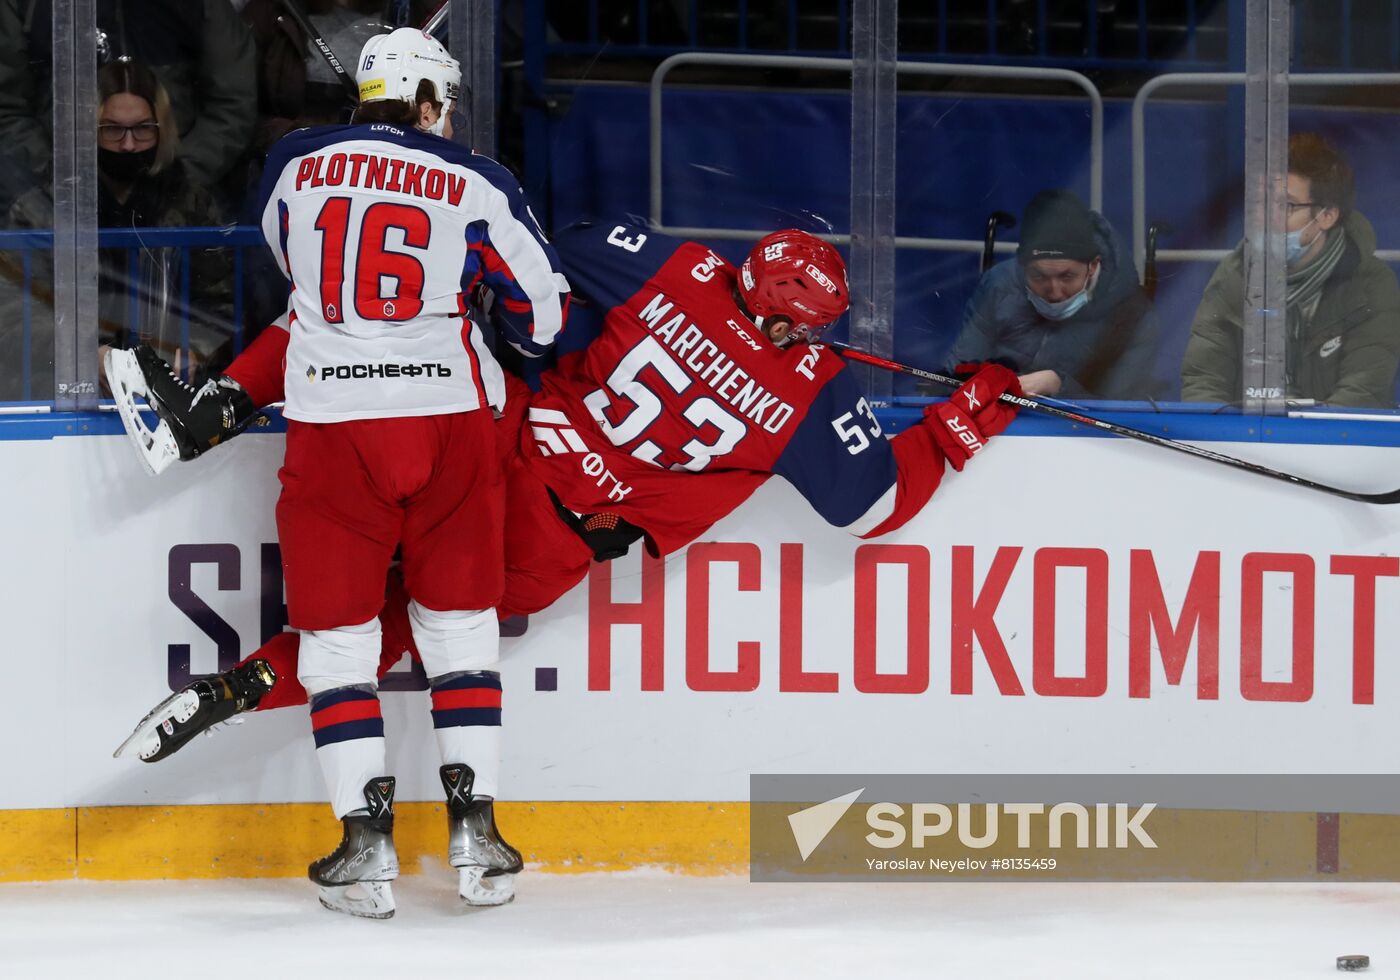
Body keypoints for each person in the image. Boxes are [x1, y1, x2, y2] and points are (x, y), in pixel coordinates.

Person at [111, 222, 1022, 792]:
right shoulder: (815, 385)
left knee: (368, 323)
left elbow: (541, 260)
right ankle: (255, 683)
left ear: (753, 268)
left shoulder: (680, 267)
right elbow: (874, 508)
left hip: (499, 447)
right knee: (411, 628)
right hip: (560, 541)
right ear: (809, 322)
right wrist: (964, 417)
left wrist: (556, 339)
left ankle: (215, 409)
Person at [112, 26, 568, 919]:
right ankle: (477, 837)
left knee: (338, 644)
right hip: (448, 423)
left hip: (332, 424)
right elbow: (541, 319)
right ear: (432, 100)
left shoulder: (294, 161)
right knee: (460, 628)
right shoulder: (477, 178)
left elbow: (297, 271)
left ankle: (365, 848)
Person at [0, 59, 229, 400]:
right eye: (112, 129)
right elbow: (13, 311)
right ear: (88, 130)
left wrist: (195, 348)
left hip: (172, 392)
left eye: (142, 129)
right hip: (62, 392)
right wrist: (83, 354)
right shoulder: (42, 208)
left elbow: (221, 299)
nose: (127, 144)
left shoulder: (190, 203)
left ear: (161, 129)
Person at [1180, 132, 1400, 408]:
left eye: (1286, 205)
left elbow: (1362, 392)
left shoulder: (1371, 284)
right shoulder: (1235, 273)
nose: (1266, 218)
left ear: (1327, 216)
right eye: (1261, 203)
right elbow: (1204, 381)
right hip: (1241, 443)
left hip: (1330, 445)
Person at [0, 0, 257, 206]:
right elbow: (7, 108)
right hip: (54, 207)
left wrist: (179, 177)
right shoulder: (25, 5)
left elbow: (233, 101)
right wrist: (57, 178)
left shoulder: (202, 6)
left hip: (179, 206)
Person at [943, 189, 1164, 400]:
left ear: (1093, 266)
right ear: (1022, 265)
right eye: (1038, 277)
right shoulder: (999, 285)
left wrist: (1059, 385)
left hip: (1078, 433)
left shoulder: (1134, 315)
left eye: (1067, 277)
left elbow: (1119, 412)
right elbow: (955, 376)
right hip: (996, 426)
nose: (1055, 293)